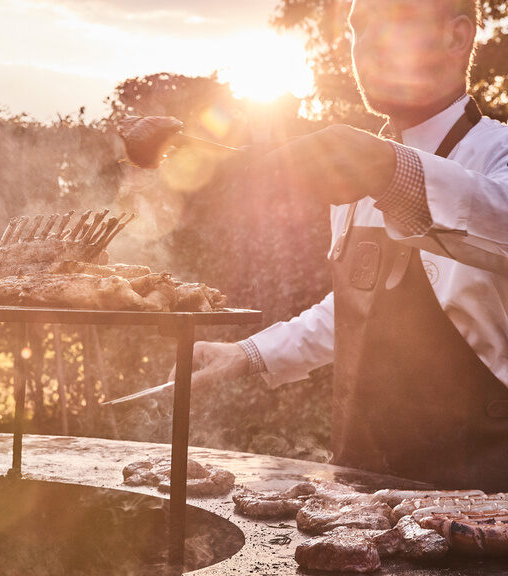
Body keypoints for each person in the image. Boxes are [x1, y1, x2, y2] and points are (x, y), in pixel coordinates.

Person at [183, 0, 508, 490]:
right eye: (358, 27)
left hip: (483, 499)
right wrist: (250, 353)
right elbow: (358, 310)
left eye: (392, 23)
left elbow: (495, 214)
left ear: (456, 37)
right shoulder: (357, 169)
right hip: (359, 487)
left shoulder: (497, 154)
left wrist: (386, 169)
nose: (366, 44)